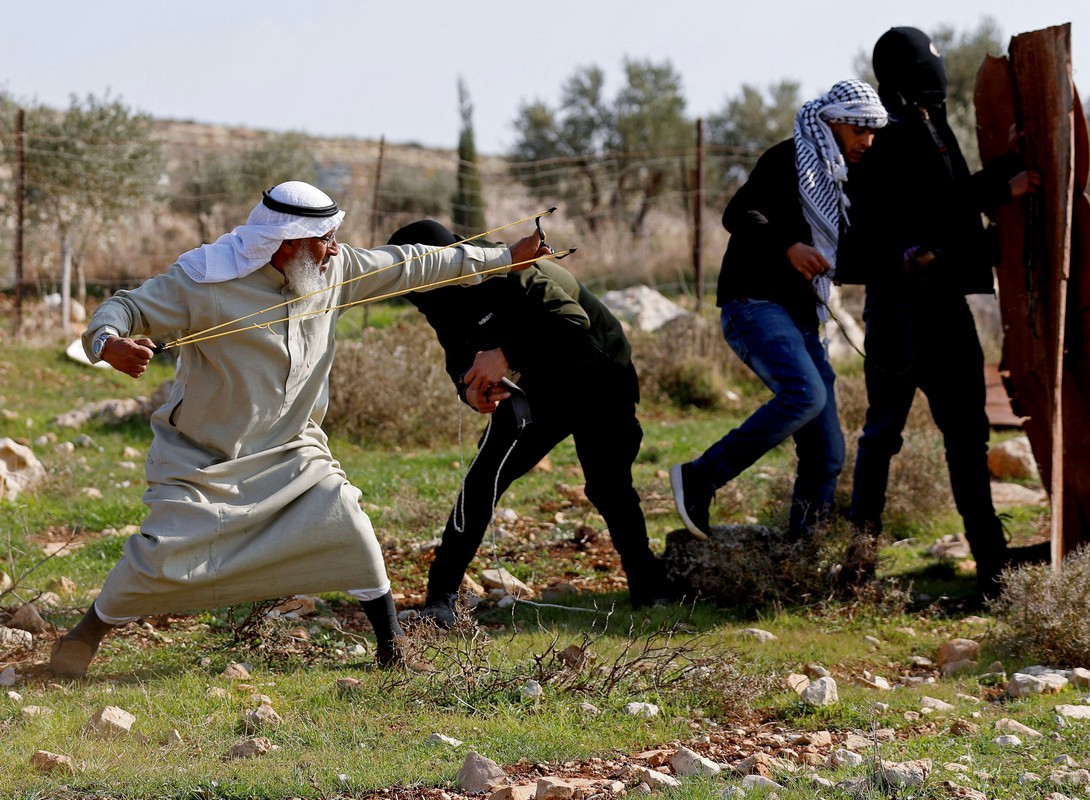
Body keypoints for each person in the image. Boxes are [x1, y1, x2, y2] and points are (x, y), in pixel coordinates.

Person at [49, 182, 549, 677]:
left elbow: (417, 262)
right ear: (286, 244)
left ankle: (393, 649)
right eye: (324, 240)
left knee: (351, 525)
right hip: (206, 459)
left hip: (294, 450)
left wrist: (504, 257)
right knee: (157, 558)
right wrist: (107, 343)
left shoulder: (335, 270)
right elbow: (125, 308)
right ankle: (82, 640)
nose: (334, 248)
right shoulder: (202, 279)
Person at [837, 27, 1044, 592]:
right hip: (901, 308)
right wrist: (1001, 186)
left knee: (963, 436)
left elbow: (947, 200)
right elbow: (931, 206)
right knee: (883, 436)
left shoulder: (931, 127)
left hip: (940, 307)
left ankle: (991, 563)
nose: (937, 73)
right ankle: (859, 570)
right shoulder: (890, 131)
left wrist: (1003, 173)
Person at [387, 220, 670, 624]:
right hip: (540, 384)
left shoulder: (508, 266)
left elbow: (572, 320)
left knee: (608, 485)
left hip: (599, 370)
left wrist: (505, 355)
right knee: (484, 480)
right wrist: (468, 390)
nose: (418, 288)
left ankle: (650, 587)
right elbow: (458, 353)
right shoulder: (428, 290)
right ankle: (441, 598)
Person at [670, 80, 888, 543]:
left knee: (827, 450)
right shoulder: (788, 157)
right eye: (858, 129)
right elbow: (738, 213)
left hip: (801, 315)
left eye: (873, 131)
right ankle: (699, 477)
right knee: (804, 395)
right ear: (830, 121)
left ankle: (802, 558)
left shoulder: (844, 178)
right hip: (754, 302)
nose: (867, 140)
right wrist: (789, 247)